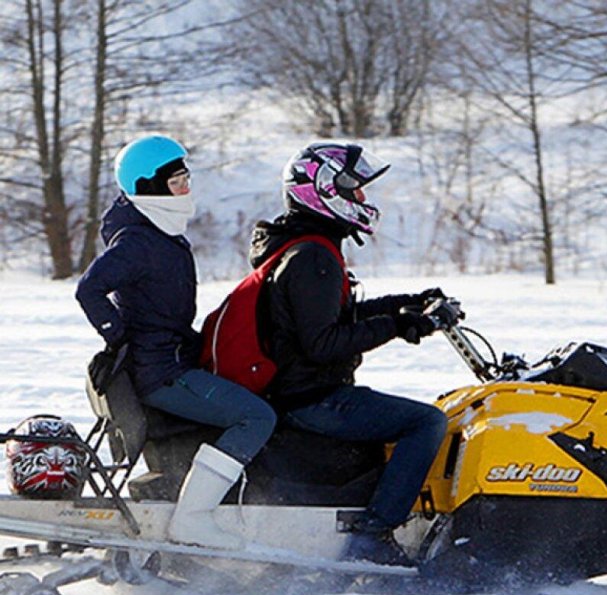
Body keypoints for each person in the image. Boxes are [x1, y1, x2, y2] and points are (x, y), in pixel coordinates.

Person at [246, 141, 449, 565]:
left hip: (301, 389)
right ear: (323, 190)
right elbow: (323, 344)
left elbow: (339, 314)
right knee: (427, 421)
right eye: (354, 189)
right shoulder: (313, 257)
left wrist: (405, 303)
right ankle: (373, 538)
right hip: (311, 397)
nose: (362, 199)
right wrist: (399, 326)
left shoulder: (305, 247)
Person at [76, 135, 276, 550]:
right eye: (177, 180)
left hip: (172, 362)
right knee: (256, 418)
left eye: (187, 177)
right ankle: (194, 518)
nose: (187, 188)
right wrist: (117, 337)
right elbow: (89, 289)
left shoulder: (160, 233)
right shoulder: (138, 242)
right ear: (150, 186)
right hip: (161, 373)